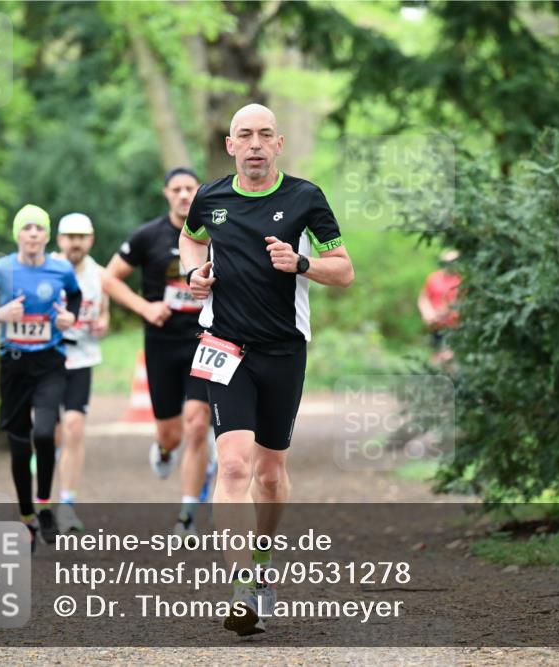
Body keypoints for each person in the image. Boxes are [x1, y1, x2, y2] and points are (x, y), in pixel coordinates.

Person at [180, 103, 354, 635]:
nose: (254, 144)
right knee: (232, 465)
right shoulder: (210, 198)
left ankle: (262, 565)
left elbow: (344, 270)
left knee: (271, 472)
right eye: (243, 135)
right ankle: (240, 591)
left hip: (284, 349)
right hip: (225, 345)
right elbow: (190, 237)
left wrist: (301, 263)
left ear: (279, 144)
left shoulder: (305, 199)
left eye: (264, 135)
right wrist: (194, 271)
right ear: (230, 145)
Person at [102, 167, 215, 537]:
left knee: (198, 424)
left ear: (198, 193)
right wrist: (145, 308)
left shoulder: (215, 232)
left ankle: (186, 516)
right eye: (177, 189)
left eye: (190, 189)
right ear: (166, 193)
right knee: (172, 434)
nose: (184, 195)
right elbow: (108, 278)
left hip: (206, 340)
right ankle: (165, 451)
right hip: (162, 344)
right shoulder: (148, 236)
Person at [0, 204, 81, 550]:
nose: (34, 233)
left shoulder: (60, 268)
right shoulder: (0, 269)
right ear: (18, 234)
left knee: (45, 431)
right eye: (27, 228)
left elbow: (76, 297)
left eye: (40, 228)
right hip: (14, 365)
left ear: (47, 235)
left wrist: (69, 317)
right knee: (19, 445)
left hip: (50, 363)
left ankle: (45, 505)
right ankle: (26, 517)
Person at [52, 213, 109, 533]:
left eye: (81, 236)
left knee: (74, 427)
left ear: (90, 240)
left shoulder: (100, 276)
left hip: (82, 358)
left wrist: (102, 325)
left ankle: (67, 503)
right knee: (48, 431)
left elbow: (104, 317)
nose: (75, 242)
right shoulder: (45, 269)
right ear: (60, 240)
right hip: (46, 359)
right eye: (69, 236)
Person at [417, 249, 461, 364]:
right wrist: (428, 313)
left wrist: (442, 313)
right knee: (435, 357)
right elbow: (423, 297)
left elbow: (458, 301)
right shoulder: (433, 278)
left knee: (449, 357)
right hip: (436, 326)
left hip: (454, 327)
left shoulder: (460, 281)